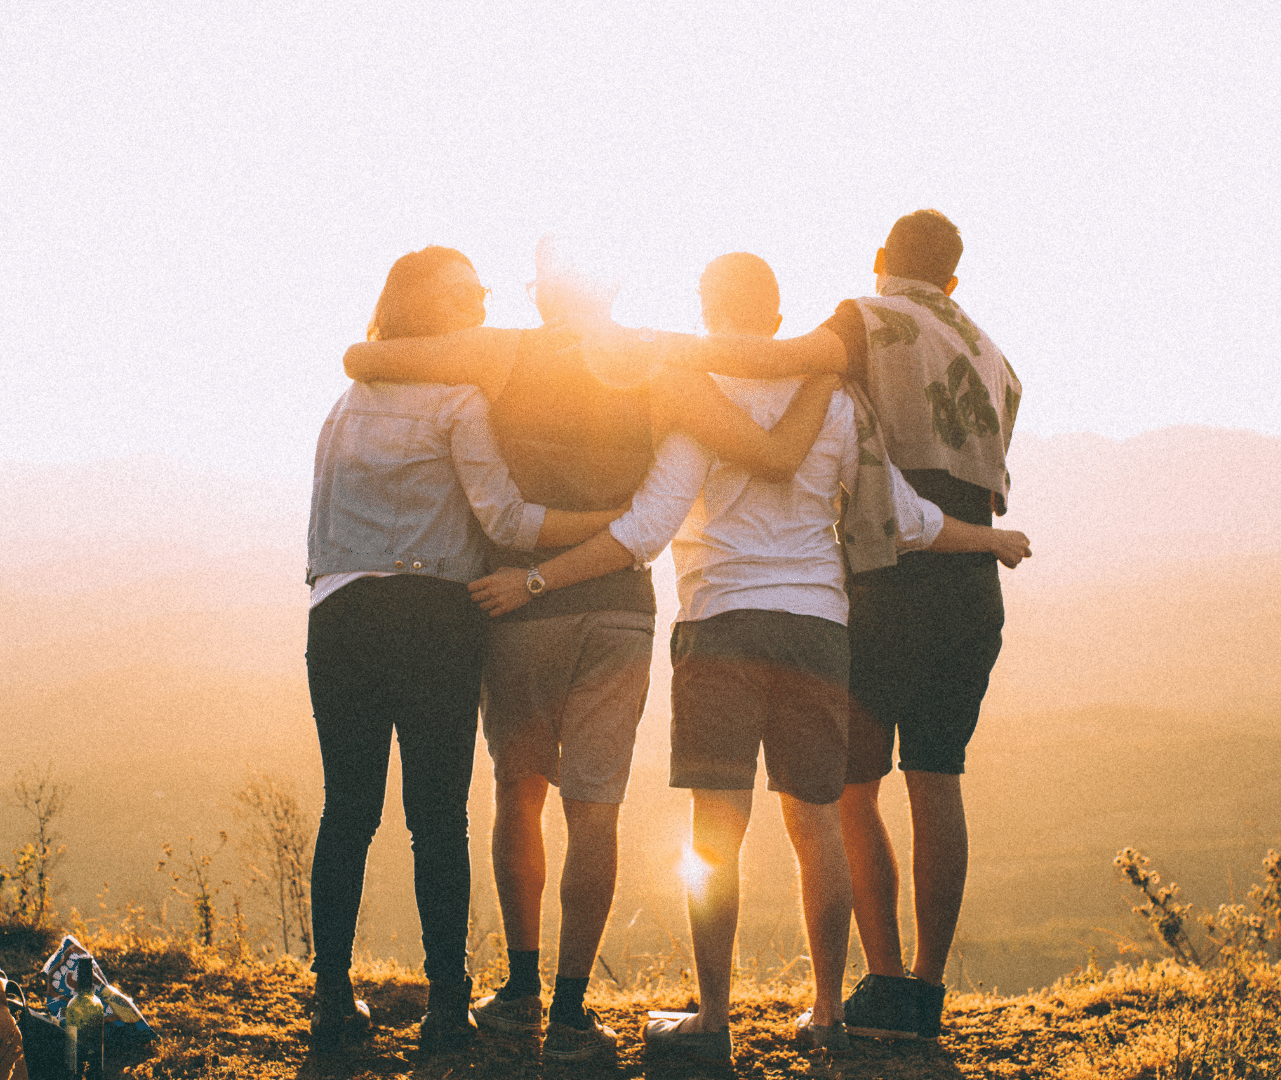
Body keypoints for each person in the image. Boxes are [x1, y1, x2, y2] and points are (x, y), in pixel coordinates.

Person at [471, 252, 1029, 1063]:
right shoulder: (836, 401)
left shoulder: (696, 397)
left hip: (720, 625)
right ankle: (830, 1013)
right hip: (818, 630)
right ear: (776, 318)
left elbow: (647, 529)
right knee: (817, 828)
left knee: (715, 835)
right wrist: (992, 539)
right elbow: (905, 517)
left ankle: (714, 1019)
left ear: (706, 309)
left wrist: (536, 578)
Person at [342, 234, 835, 1061]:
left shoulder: (499, 356)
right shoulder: (660, 369)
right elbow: (771, 453)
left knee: (518, 792)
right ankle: (572, 1010)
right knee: (595, 809)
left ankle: (521, 986)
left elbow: (364, 358)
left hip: (517, 604)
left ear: (542, 294)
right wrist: (825, 368)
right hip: (617, 610)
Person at [664, 211, 1027, 1040]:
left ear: (879, 261)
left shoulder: (865, 319)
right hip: (968, 580)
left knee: (847, 792)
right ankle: (922, 994)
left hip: (886, 575)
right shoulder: (995, 356)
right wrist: (990, 540)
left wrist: (657, 350)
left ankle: (881, 981)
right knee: (938, 777)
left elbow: (782, 361)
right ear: (955, 279)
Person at [303, 246, 628, 1055]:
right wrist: (609, 525)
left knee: (347, 810)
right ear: (432, 308)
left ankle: (332, 999)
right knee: (436, 818)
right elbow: (508, 523)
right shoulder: (457, 401)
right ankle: (448, 1006)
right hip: (433, 619)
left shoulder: (345, 404)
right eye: (469, 294)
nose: (483, 304)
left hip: (338, 615)